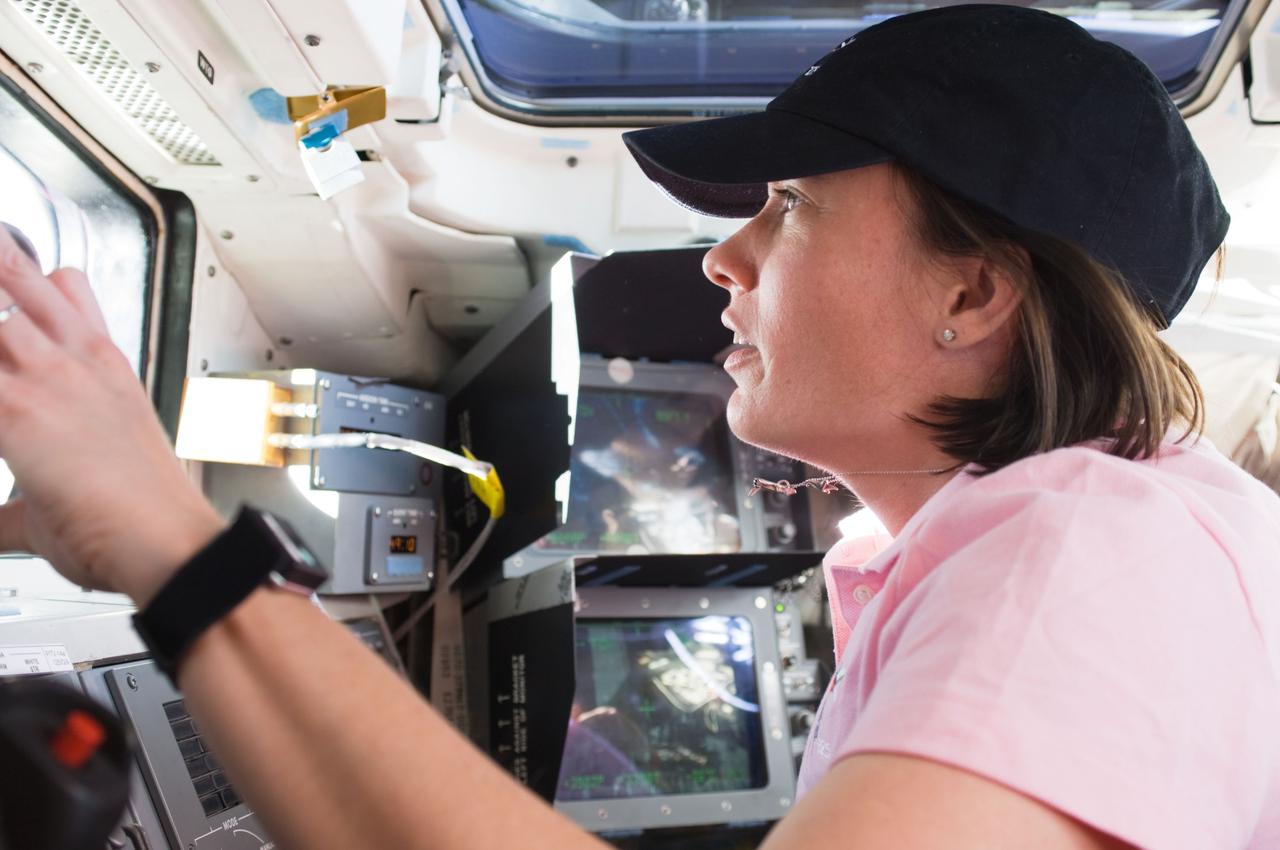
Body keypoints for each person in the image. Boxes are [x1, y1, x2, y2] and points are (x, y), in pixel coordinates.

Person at [0, 5, 1276, 848]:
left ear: (972, 290)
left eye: (788, 204)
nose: (724, 257)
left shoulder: (1092, 549)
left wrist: (170, 541)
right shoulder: (1073, 539)